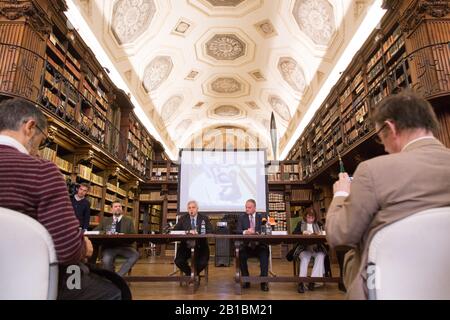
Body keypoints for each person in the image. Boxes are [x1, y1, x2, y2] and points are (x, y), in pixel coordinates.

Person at [325, 90, 450, 299]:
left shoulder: (372, 170)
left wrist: (341, 195)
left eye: (380, 137)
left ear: (390, 128)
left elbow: (339, 236)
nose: (383, 146)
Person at [0, 97, 122, 300]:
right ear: (30, 127)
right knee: (113, 291)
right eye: (43, 140)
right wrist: (83, 245)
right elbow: (67, 250)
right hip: (29, 280)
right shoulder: (41, 171)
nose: (38, 149)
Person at [95, 201, 139, 276]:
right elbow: (96, 231)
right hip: (109, 247)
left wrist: (124, 235)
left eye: (120, 206)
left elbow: (133, 235)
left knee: (135, 255)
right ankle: (112, 277)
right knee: (106, 260)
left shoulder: (129, 221)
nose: (118, 208)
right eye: (116, 206)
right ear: (111, 209)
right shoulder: (105, 220)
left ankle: (118, 277)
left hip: (125, 247)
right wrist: (105, 233)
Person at [173, 200, 213, 282]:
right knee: (178, 261)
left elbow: (210, 230)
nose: (191, 210)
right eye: (189, 208)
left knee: (202, 262)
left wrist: (199, 232)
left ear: (197, 208)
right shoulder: (183, 218)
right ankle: (191, 274)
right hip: (185, 246)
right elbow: (175, 231)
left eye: (193, 207)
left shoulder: (204, 218)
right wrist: (187, 232)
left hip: (201, 246)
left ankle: (193, 275)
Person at [236, 199, 270, 291]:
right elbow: (238, 231)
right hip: (247, 246)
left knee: (264, 253)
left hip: (259, 245)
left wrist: (257, 232)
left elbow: (267, 230)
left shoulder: (262, 217)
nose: (247, 209)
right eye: (246, 207)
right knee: (241, 254)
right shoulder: (242, 218)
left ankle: (264, 281)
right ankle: (246, 280)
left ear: (255, 208)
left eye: (249, 207)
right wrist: (245, 232)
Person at [291, 208, 327, 293]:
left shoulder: (318, 224)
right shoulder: (300, 224)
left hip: (315, 249)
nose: (310, 219)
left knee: (321, 256)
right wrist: (302, 233)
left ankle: (313, 281)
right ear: (305, 217)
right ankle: (301, 282)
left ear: (315, 217)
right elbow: (294, 234)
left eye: (312, 218)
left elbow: (324, 231)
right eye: (308, 217)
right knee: (305, 258)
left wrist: (320, 233)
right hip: (304, 248)